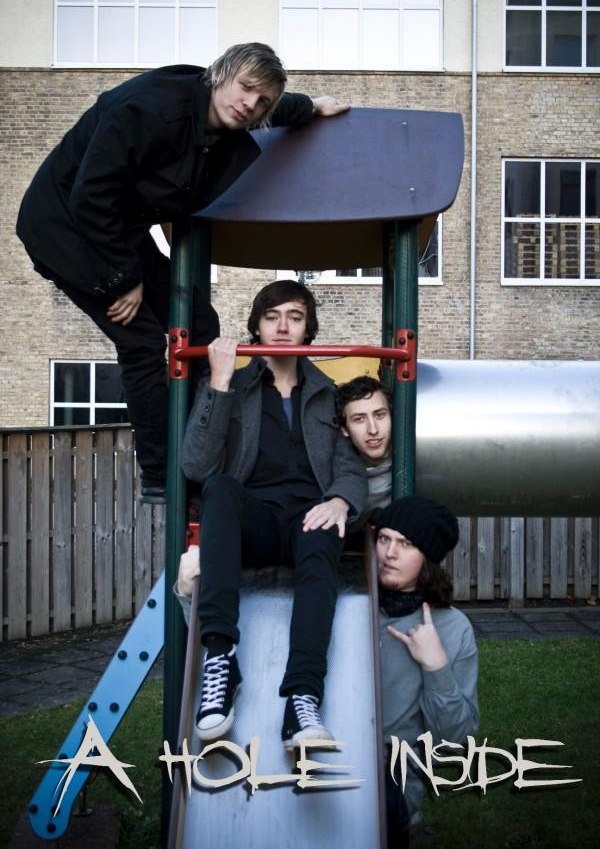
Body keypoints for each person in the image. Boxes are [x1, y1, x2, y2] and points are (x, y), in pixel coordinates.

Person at [16, 42, 349, 502]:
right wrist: (123, 278)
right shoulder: (148, 110)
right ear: (219, 74)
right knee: (140, 340)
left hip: (117, 227)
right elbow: (90, 197)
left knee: (199, 321)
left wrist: (311, 106)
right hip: (66, 226)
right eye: (245, 88)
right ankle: (160, 474)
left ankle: (197, 455)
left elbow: (273, 107)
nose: (250, 104)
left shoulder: (237, 111)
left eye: (261, 101)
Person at [181, 279, 367, 748]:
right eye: (272, 317)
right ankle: (221, 658)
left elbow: (349, 466)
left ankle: (302, 698)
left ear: (308, 330)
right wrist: (219, 384)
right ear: (257, 326)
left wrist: (340, 500)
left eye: (295, 317)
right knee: (220, 487)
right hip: (256, 521)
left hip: (309, 518)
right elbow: (197, 465)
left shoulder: (327, 393)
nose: (283, 327)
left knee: (325, 533)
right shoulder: (232, 386)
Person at [374, 497, 479, 845]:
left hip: (394, 791)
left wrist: (436, 666)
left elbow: (454, 743)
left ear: (428, 558)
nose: (390, 553)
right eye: (384, 539)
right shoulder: (349, 604)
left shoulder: (452, 628)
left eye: (406, 544)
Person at [336, 375, 393, 519]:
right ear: (345, 429)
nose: (373, 430)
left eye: (380, 415)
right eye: (359, 419)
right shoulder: (336, 475)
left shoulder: (418, 461)